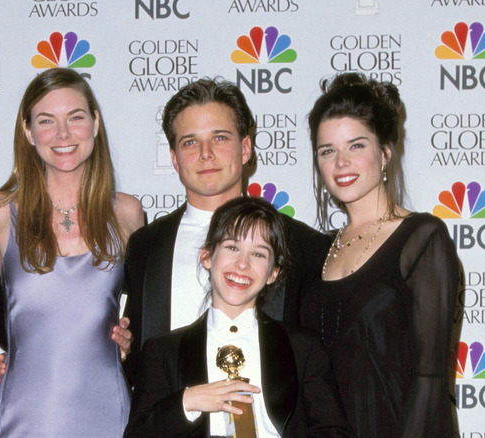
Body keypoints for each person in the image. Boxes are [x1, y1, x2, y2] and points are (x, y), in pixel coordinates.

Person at [122, 78, 331, 377]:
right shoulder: (145, 247)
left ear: (246, 148)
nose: (206, 153)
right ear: (174, 159)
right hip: (170, 420)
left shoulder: (303, 245)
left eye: (220, 138)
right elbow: (134, 361)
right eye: (190, 142)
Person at [0, 67, 145, 437]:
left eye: (76, 117)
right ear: (28, 131)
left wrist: (131, 339)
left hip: (108, 414)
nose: (63, 134)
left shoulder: (127, 214)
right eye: (46, 121)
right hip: (22, 417)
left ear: (96, 122)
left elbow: (149, 316)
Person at [300, 72, 460, 437]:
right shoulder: (318, 251)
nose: (341, 162)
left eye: (356, 146)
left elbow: (429, 382)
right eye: (328, 151)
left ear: (384, 153)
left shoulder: (421, 239)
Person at [124, 196, 352, 437]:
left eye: (259, 254)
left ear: (273, 273)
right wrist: (187, 402)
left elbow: (334, 432)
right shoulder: (162, 352)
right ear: (207, 257)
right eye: (232, 247)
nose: (242, 264)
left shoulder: (303, 348)